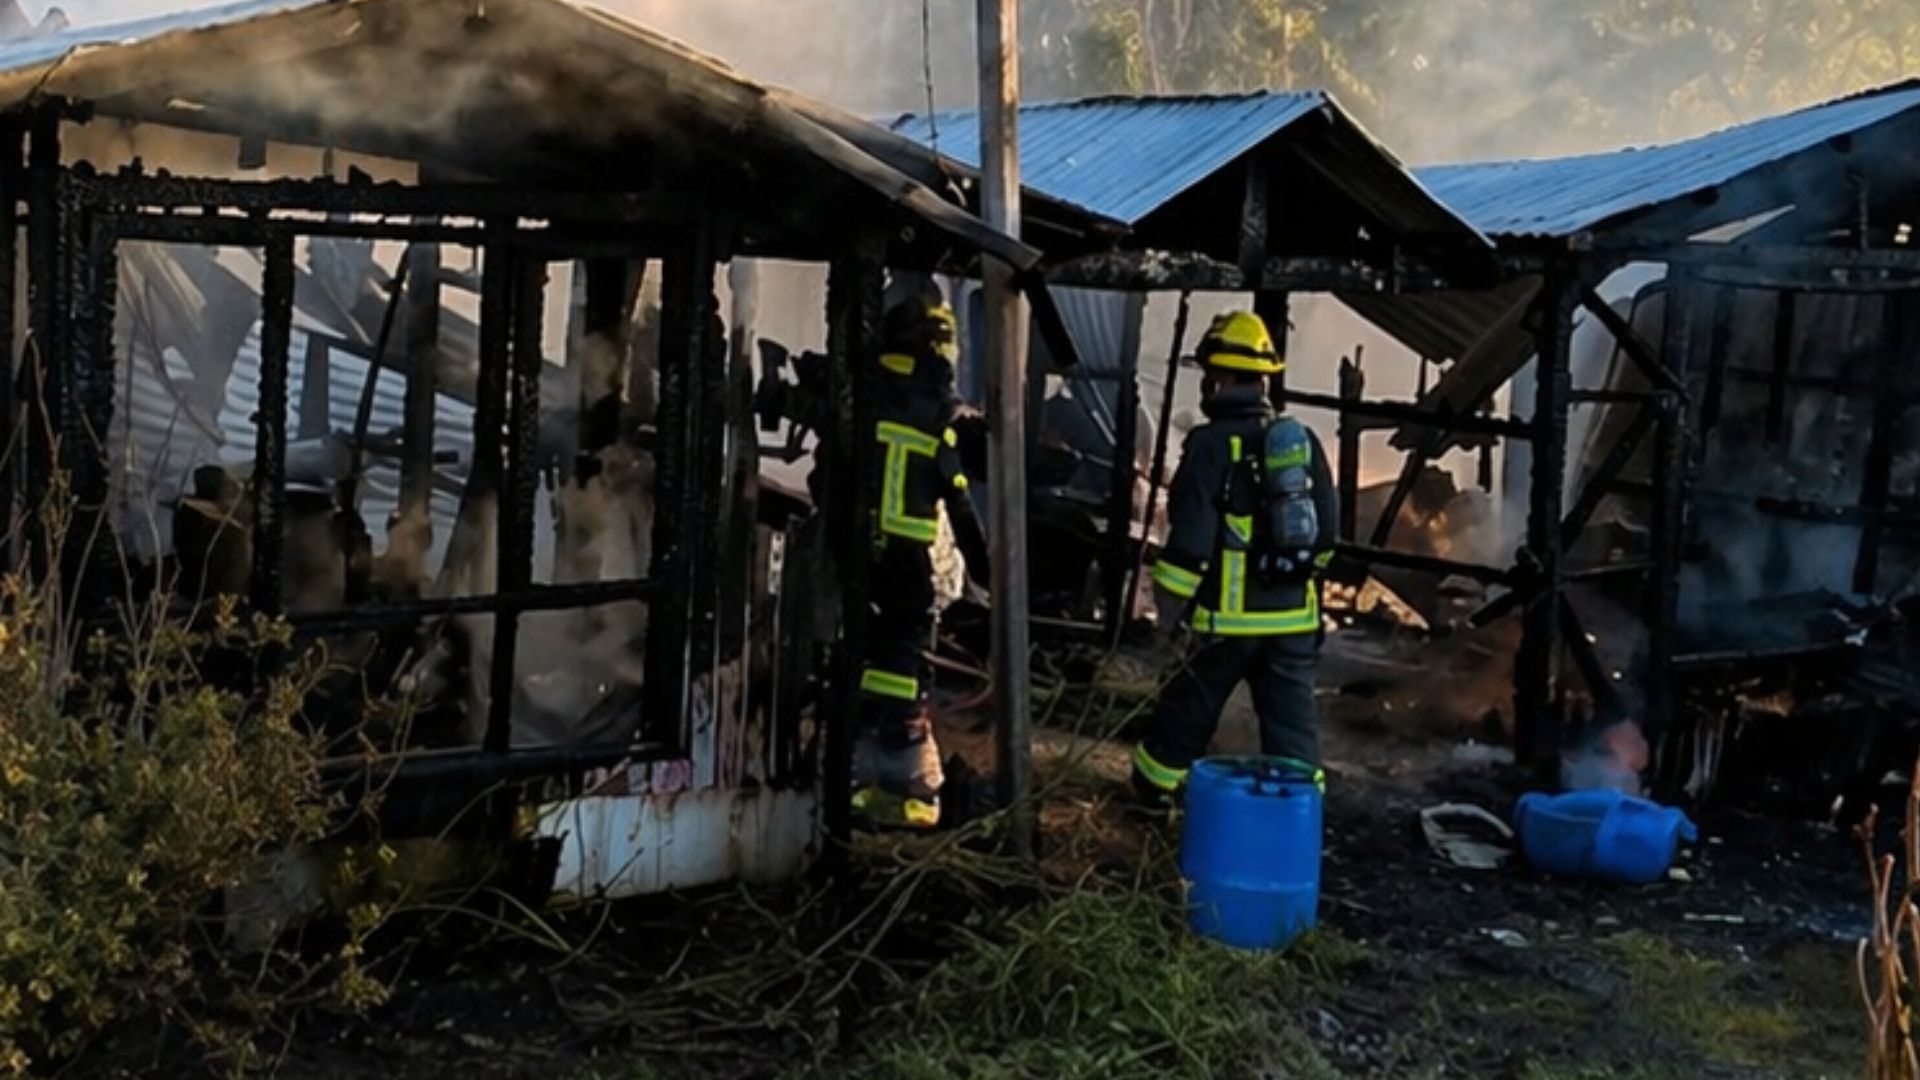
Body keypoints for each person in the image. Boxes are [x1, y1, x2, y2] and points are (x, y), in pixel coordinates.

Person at [1130, 310, 1337, 804]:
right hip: (1292, 623)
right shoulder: (1302, 442)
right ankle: (1296, 824)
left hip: (1225, 624)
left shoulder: (1209, 446)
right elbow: (1327, 539)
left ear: (1219, 378)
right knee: (1292, 733)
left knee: (1185, 715)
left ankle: (1155, 800)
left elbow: (1189, 548)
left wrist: (1169, 620)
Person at [850, 295, 990, 829]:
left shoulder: (864, 396)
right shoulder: (937, 414)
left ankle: (855, 774)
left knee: (861, 651)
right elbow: (958, 498)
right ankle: (908, 775)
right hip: (907, 556)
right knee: (906, 657)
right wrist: (986, 570)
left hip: (856, 552)